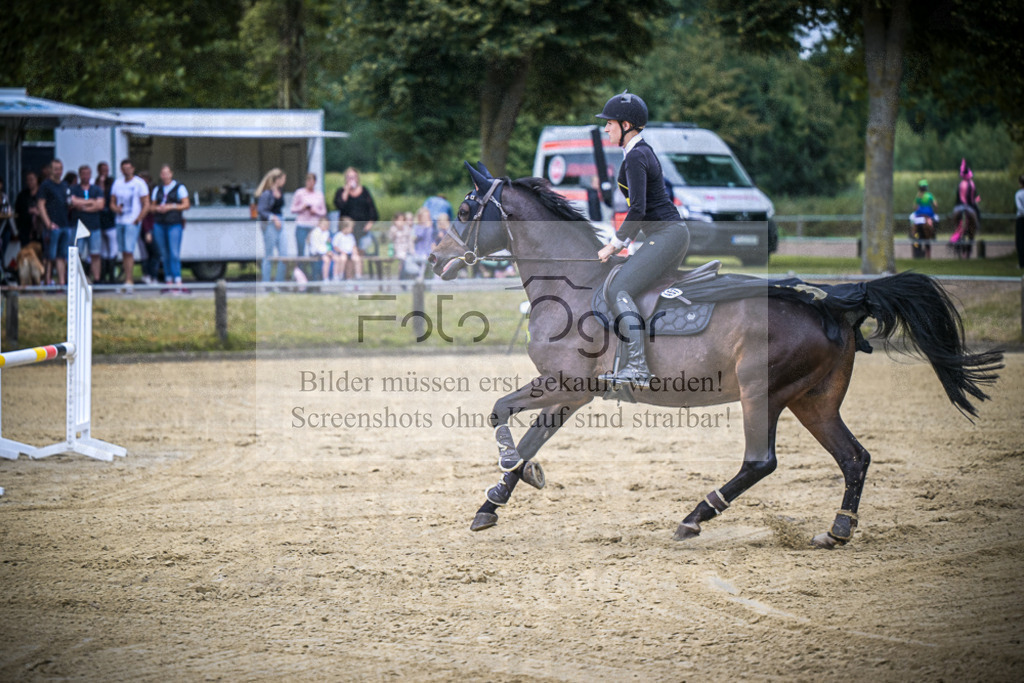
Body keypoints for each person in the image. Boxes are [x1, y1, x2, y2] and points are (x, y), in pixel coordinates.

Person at [595, 91, 690, 387]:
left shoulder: (636, 156)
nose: (606, 129)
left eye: (609, 123)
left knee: (620, 287)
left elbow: (638, 208)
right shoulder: (638, 153)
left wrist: (615, 244)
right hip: (667, 235)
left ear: (626, 125)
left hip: (666, 235)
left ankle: (637, 366)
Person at [110, 159, 150, 290]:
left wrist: (138, 219)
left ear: (133, 169)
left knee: (129, 251)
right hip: (120, 221)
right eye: (124, 168)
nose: (126, 171)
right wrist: (116, 209)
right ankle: (126, 279)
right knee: (123, 252)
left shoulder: (139, 183)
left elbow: (146, 203)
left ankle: (129, 280)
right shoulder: (117, 183)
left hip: (132, 221)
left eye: (129, 168)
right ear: (121, 170)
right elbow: (112, 202)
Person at [149, 164, 190, 292]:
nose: (165, 176)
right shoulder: (158, 189)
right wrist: (158, 208)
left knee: (174, 253)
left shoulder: (179, 187)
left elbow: (186, 205)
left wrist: (171, 206)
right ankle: (168, 281)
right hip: (160, 223)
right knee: (164, 253)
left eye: (167, 173)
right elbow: (151, 207)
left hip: (174, 223)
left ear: (171, 174)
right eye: (163, 173)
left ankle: (177, 279)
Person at [334, 167, 380, 276]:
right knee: (348, 256)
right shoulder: (341, 191)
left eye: (353, 177)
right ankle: (348, 279)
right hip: (347, 231)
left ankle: (358, 279)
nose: (351, 179)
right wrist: (346, 190)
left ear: (357, 178)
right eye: (349, 177)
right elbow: (339, 205)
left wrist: (369, 224)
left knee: (359, 255)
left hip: (362, 230)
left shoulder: (364, 191)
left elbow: (373, 211)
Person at [36, 159, 74, 286]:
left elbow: (69, 202)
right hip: (52, 226)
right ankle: (47, 282)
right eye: (56, 169)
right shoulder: (46, 185)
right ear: (51, 170)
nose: (59, 171)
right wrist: (48, 223)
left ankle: (61, 283)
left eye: (61, 168)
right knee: (49, 256)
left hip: (65, 225)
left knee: (61, 256)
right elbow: (41, 205)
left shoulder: (64, 185)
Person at [69, 165, 105, 282]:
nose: (85, 176)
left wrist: (82, 206)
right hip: (78, 226)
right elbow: (73, 202)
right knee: (77, 253)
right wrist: (91, 202)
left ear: (90, 175)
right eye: (83, 174)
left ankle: (97, 279)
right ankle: (78, 278)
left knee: (95, 254)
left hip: (94, 226)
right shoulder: (74, 188)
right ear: (80, 175)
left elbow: (100, 205)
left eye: (87, 174)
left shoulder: (96, 189)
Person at [256, 168, 288, 283]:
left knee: (284, 255)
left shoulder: (280, 191)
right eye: (283, 178)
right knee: (269, 255)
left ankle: (279, 283)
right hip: (270, 224)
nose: (284, 181)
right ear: (277, 179)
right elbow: (261, 210)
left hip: (281, 221)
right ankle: (266, 283)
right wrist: (273, 218)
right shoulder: (266, 194)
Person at [290, 173, 327, 260]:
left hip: (314, 226)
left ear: (315, 182)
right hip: (302, 225)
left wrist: (315, 210)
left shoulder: (319, 194)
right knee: (301, 251)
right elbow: (292, 209)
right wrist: (302, 207)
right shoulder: (299, 193)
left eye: (312, 181)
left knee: (314, 250)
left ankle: (315, 273)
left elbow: (324, 211)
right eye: (308, 180)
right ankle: (300, 271)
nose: (310, 183)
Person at [950, 158, 980, 259]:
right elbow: (973, 197)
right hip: (970, 206)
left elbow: (958, 197)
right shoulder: (972, 184)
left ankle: (955, 227)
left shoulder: (960, 184)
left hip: (959, 206)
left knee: (954, 215)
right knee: (977, 213)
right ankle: (977, 226)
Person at [910, 179, 938, 259]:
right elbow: (936, 205)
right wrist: (934, 210)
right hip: (929, 214)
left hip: (919, 215)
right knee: (936, 219)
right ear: (926, 188)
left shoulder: (918, 196)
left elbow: (914, 207)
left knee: (911, 219)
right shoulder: (930, 195)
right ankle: (934, 233)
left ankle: (912, 232)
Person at [14, 170, 41, 247]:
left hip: (39, 230)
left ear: (36, 180)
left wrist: (38, 212)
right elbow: (18, 210)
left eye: (31, 179)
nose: (29, 182)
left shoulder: (42, 194)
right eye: (28, 180)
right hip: (25, 229)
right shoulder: (22, 195)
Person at [332, 216, 362, 280]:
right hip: (341, 253)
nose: (352, 230)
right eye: (351, 228)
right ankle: (340, 274)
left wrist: (355, 251)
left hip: (350, 253)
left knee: (357, 259)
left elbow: (354, 246)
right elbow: (335, 246)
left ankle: (358, 275)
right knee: (343, 258)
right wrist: (342, 252)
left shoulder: (351, 236)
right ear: (345, 228)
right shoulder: (338, 235)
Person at [308, 216, 333, 281]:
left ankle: (336, 276)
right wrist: (326, 252)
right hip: (315, 252)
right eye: (324, 225)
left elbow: (326, 245)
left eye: (327, 225)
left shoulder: (326, 233)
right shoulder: (315, 232)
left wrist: (329, 250)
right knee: (327, 260)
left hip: (323, 251)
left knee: (336, 258)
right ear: (319, 224)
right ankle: (325, 278)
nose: (326, 226)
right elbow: (316, 246)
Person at [0, 178, 14, 283]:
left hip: (4, 228)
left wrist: (15, 232)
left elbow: (9, 211)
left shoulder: (4, 197)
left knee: (2, 252)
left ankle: (3, 273)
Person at [1015, 174, 1024, 269]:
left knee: (1020, 241)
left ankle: (1022, 263)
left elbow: (1019, 207)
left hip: (1021, 218)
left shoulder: (1018, 194)